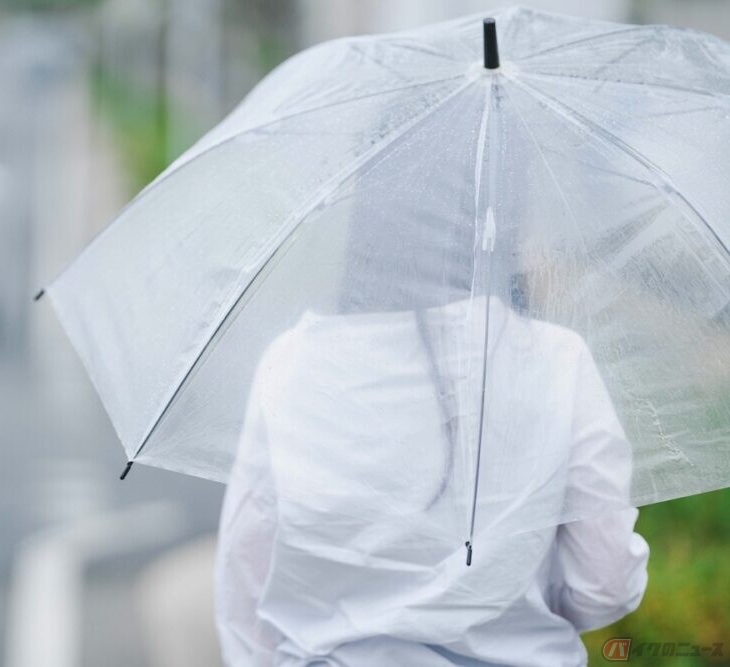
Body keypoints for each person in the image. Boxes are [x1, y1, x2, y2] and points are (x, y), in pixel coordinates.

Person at [213, 171, 649, 665]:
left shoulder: (292, 364)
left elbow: (246, 580)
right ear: (501, 218)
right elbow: (606, 582)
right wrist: (516, 614)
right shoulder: (558, 362)